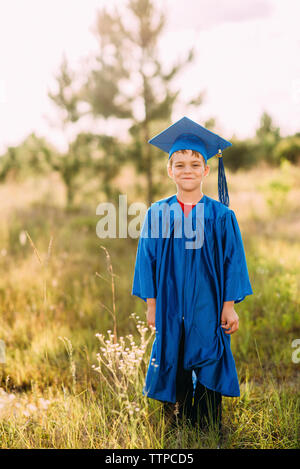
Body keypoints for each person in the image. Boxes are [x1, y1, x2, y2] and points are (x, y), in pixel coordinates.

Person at [131, 116, 253, 434]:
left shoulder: (222, 216)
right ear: (169, 170)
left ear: (207, 171)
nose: (187, 170)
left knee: (208, 351)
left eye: (195, 164)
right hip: (170, 303)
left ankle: (209, 423)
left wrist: (229, 304)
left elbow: (233, 262)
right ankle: (180, 420)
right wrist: (151, 304)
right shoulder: (158, 213)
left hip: (208, 304)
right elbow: (148, 260)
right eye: (180, 164)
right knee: (175, 350)